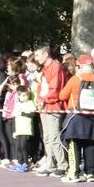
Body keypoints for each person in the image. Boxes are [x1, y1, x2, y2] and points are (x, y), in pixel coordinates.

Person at [32, 45, 67, 176]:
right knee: (46, 137)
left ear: (46, 54)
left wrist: (44, 99)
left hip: (53, 106)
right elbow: (42, 87)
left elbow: (55, 88)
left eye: (37, 55)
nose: (36, 58)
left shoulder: (56, 67)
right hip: (45, 106)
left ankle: (62, 164)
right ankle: (51, 163)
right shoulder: (45, 69)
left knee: (54, 136)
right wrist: (40, 99)